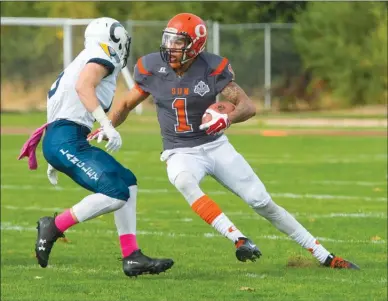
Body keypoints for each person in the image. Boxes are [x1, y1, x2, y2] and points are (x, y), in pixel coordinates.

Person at [88, 13, 359, 269]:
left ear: (195, 45)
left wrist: (227, 119)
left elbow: (247, 105)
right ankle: (238, 239)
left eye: (178, 41)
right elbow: (124, 103)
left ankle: (325, 256)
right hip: (180, 151)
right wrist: (107, 124)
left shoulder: (211, 68)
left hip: (215, 146)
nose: (170, 47)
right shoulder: (152, 68)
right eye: (168, 39)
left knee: (262, 202)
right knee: (183, 179)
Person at [18, 17, 174, 277]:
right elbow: (83, 87)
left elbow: (64, 103)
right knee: (115, 192)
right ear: (114, 38)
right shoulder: (103, 55)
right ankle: (54, 225)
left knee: (127, 180)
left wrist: (55, 152)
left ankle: (132, 256)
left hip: (66, 138)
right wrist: (106, 124)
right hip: (66, 138)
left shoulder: (84, 58)